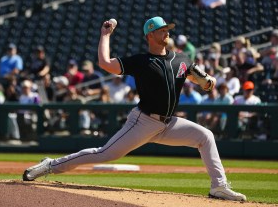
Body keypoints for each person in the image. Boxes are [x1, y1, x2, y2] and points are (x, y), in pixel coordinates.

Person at [22, 16, 246, 201]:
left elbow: (203, 81)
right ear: (150, 35)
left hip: (169, 123)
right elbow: (104, 63)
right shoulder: (141, 61)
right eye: (162, 30)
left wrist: (208, 81)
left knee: (205, 136)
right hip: (143, 121)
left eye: (168, 29)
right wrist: (105, 35)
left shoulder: (182, 59)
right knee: (104, 154)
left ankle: (218, 186)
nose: (167, 32)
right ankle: (50, 165)